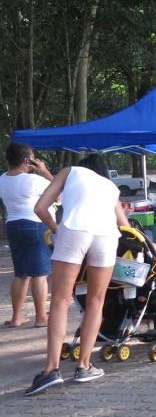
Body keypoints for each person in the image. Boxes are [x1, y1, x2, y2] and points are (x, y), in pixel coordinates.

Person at [26, 154, 130, 395]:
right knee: (97, 301)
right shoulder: (111, 187)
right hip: (106, 236)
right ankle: (84, 366)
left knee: (61, 301)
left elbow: (40, 207)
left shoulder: (70, 171)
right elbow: (124, 227)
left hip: (74, 228)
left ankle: (51, 370)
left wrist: (55, 230)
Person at [0, 143, 54, 328]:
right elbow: (59, 193)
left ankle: (17, 317)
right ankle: (41, 317)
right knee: (39, 273)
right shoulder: (33, 181)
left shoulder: (2, 179)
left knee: (21, 273)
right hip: (34, 224)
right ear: (26, 160)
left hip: (13, 225)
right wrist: (44, 170)